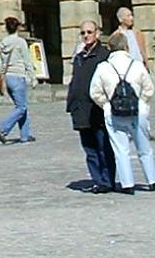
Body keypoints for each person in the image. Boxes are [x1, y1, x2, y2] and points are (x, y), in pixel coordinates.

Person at [89, 36, 155, 194]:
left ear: (109, 48)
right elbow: (149, 89)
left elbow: (94, 92)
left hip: (114, 113)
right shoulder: (137, 65)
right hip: (137, 111)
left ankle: (127, 184)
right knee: (144, 147)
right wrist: (142, 103)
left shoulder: (103, 67)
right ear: (126, 47)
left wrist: (106, 105)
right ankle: (152, 181)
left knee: (121, 150)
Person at [66, 22, 114, 194]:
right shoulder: (79, 56)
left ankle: (107, 180)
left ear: (97, 33)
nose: (86, 35)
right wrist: (71, 103)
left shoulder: (104, 55)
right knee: (89, 149)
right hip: (81, 109)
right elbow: (75, 81)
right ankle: (97, 180)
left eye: (89, 32)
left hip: (97, 109)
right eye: (83, 33)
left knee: (103, 147)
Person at [0, 17, 36, 143]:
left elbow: (1, 63)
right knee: (21, 107)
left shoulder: (3, 43)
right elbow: (27, 60)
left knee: (21, 106)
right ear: (17, 27)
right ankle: (3, 127)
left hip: (8, 77)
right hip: (18, 76)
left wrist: (2, 78)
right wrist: (32, 76)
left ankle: (25, 135)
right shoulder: (20, 42)